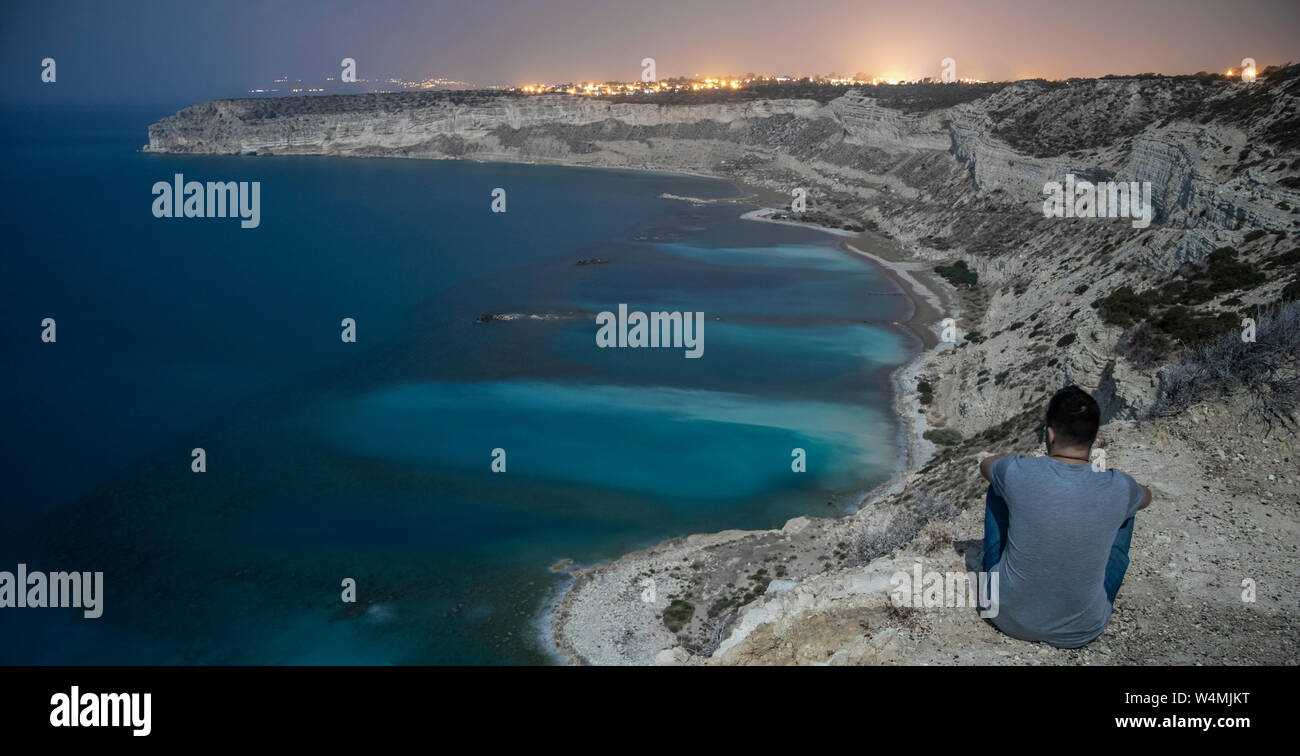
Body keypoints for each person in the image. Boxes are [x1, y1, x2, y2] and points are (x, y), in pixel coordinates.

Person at [978, 385, 1151, 648]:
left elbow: (986, 464)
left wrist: (1017, 464)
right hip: (1082, 630)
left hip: (1004, 616)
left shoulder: (1019, 472)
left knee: (998, 486)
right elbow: (1146, 496)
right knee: (1128, 506)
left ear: (1049, 434)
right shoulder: (1118, 485)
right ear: (1093, 438)